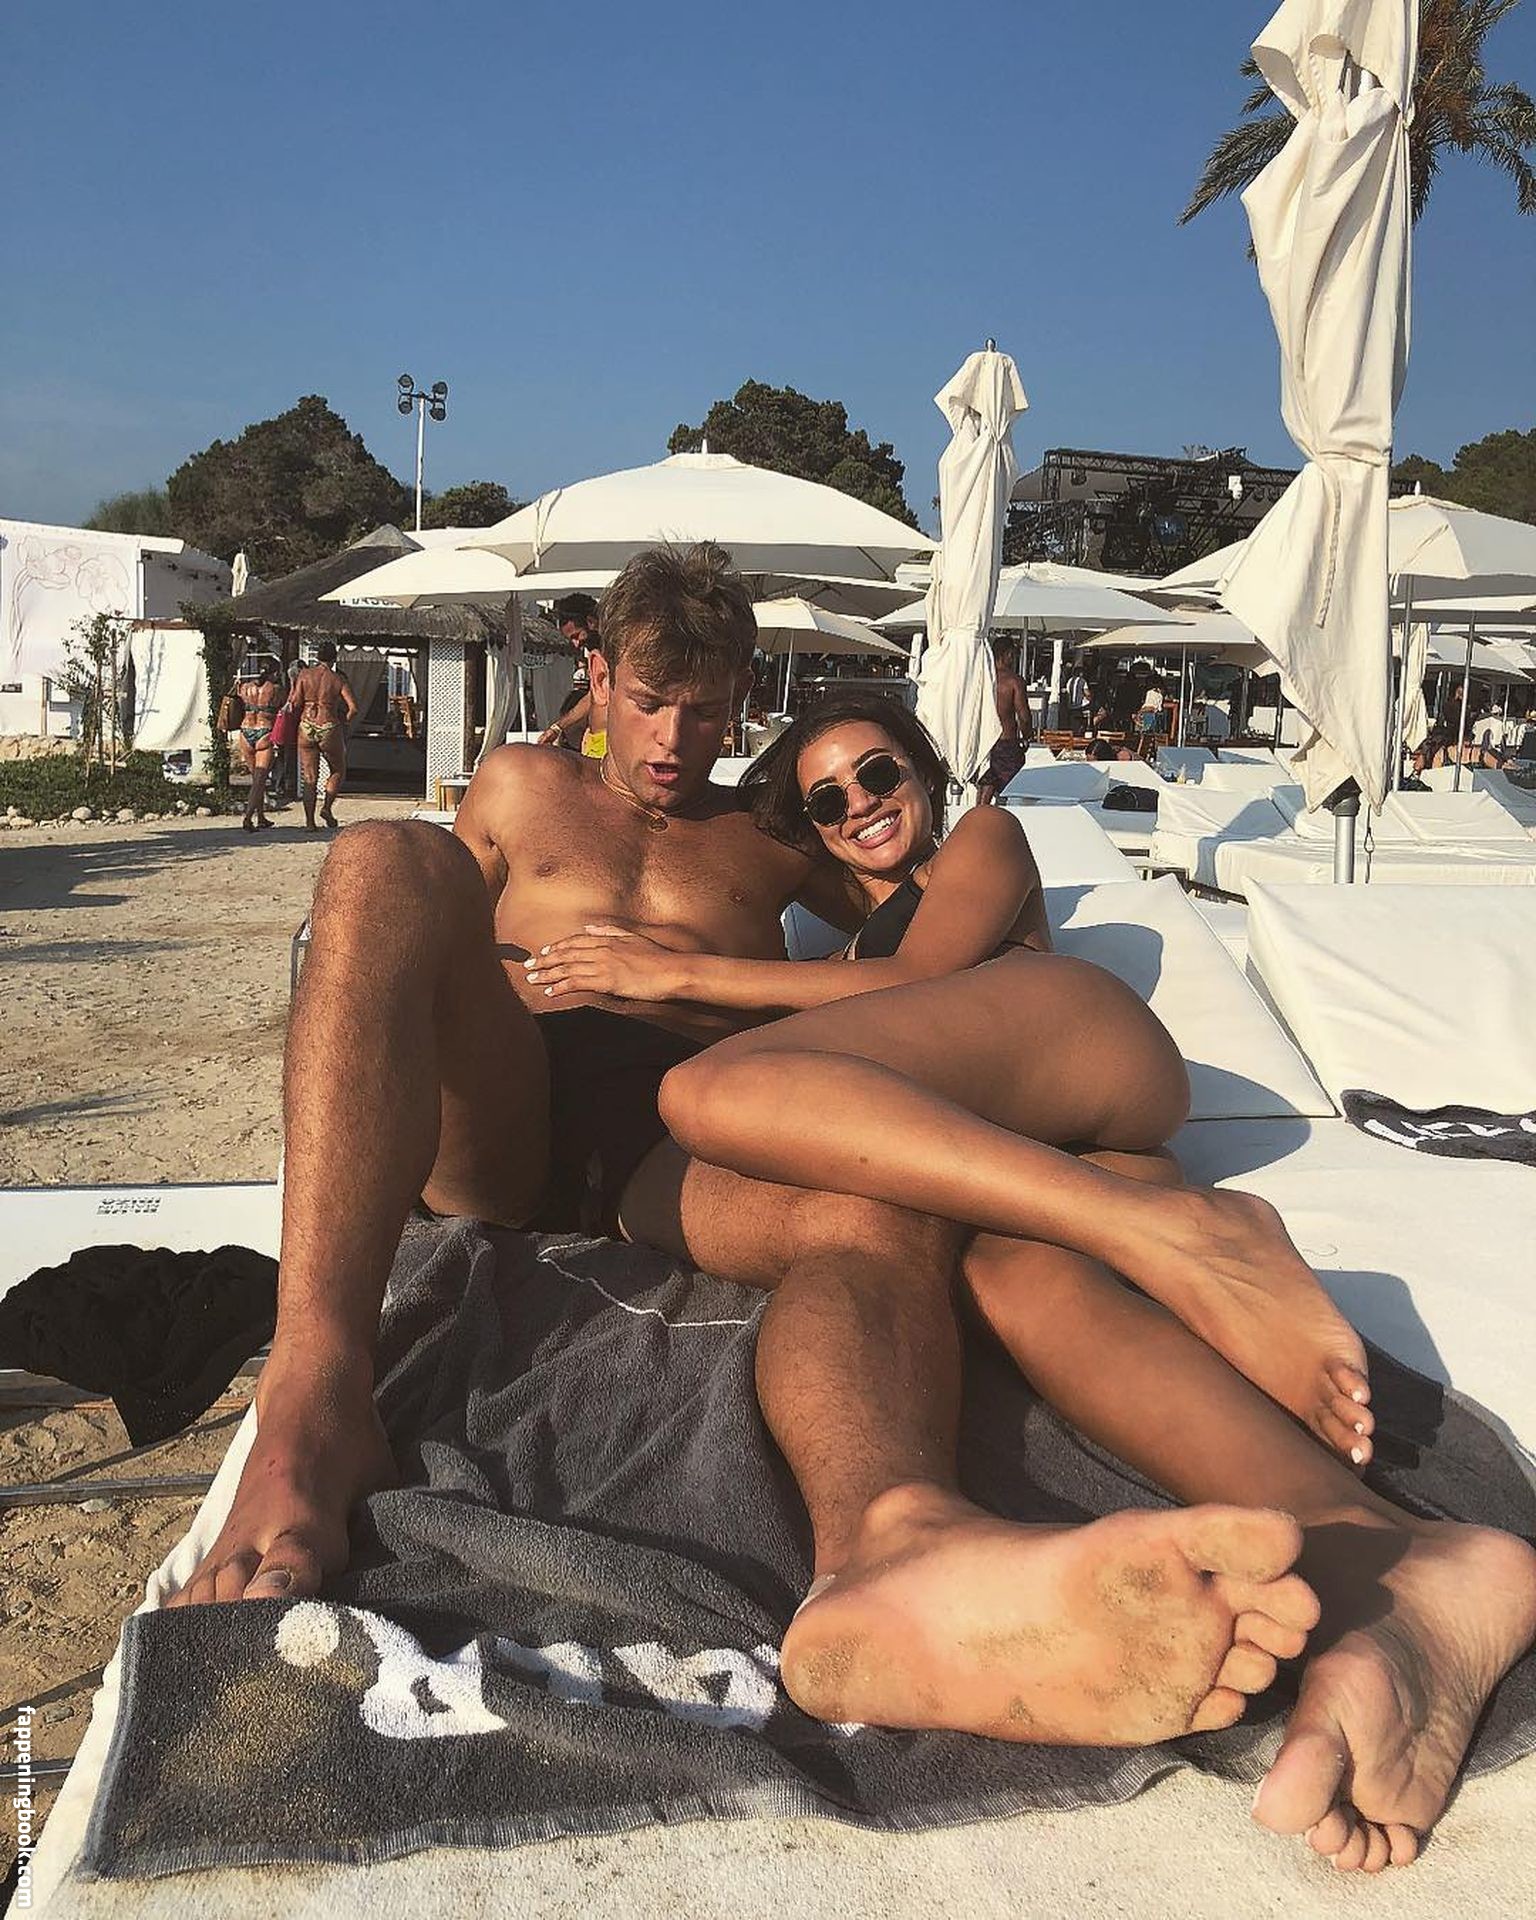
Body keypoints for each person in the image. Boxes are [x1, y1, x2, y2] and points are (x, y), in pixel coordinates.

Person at [166, 549, 1533, 1871]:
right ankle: (317, 1392)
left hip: (675, 1140)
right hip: (512, 1104)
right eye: (653, 698)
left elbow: (909, 929)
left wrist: (954, 906)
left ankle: (896, 1544)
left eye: (711, 709)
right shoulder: (520, 785)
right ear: (600, 675)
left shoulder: (764, 838)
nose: (676, 739)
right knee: (380, 864)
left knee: (872, 1215)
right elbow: (397, 959)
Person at [286, 641, 359, 830]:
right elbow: (353, 708)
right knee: (338, 769)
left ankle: (310, 823)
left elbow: (295, 702)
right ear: (334, 659)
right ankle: (326, 807)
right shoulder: (337, 679)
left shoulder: (304, 675)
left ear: (317, 657)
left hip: (306, 725)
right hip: (329, 724)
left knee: (309, 777)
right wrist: (344, 723)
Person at [538, 593, 608, 755]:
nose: (576, 644)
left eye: (576, 636)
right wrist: (557, 727)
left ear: (591, 622)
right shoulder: (598, 654)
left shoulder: (617, 651)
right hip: (594, 742)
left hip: (611, 743)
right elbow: (593, 697)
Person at [976, 635, 1034, 806]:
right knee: (1009, 791)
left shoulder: (982, 679)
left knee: (984, 787)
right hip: (1005, 741)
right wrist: (1027, 736)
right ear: (1007, 654)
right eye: (1013, 655)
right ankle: (1002, 817)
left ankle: (978, 816)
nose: (1013, 659)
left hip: (983, 742)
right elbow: (1023, 715)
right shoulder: (1014, 681)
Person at [230, 653, 283, 833]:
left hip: (245, 731)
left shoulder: (244, 687)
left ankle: (261, 817)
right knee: (260, 780)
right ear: (274, 673)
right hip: (264, 731)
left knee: (256, 778)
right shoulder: (276, 689)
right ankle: (248, 817)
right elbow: (284, 706)